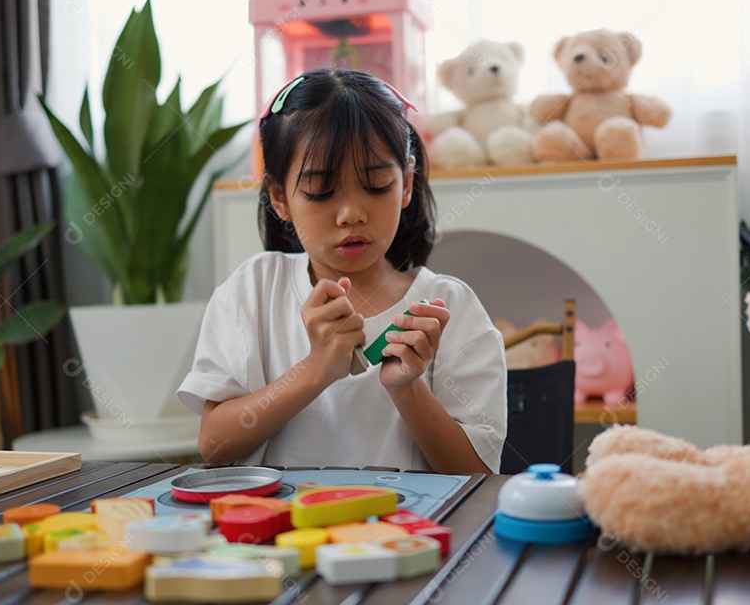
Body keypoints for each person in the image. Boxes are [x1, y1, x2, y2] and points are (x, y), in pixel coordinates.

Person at [177, 69, 507, 474]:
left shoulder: (447, 306)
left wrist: (406, 388)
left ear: (405, 184)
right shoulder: (254, 289)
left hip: (405, 535)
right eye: (320, 192)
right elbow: (214, 445)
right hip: (283, 532)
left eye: (376, 185)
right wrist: (314, 370)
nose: (351, 213)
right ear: (280, 198)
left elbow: (477, 476)